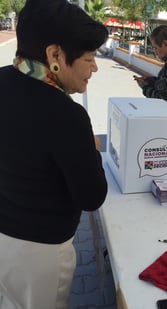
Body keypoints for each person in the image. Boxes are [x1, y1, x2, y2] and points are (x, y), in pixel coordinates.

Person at [0, 0, 108, 308]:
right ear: (55, 55)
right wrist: (93, 150)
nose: (95, 67)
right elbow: (92, 197)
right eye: (89, 58)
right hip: (40, 254)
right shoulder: (67, 116)